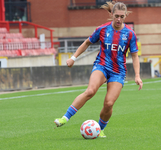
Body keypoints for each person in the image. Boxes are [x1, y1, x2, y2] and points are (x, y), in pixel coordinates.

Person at [54, 1, 143, 138]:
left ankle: (99, 129)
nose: (119, 19)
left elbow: (135, 55)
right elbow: (87, 42)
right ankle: (64, 118)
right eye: (116, 16)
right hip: (101, 65)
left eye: (122, 16)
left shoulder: (130, 34)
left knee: (109, 103)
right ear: (112, 14)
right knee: (90, 91)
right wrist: (73, 58)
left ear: (125, 16)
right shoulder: (102, 29)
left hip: (118, 72)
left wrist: (137, 75)